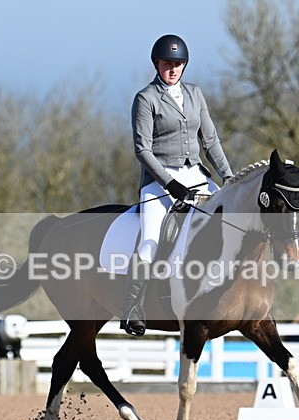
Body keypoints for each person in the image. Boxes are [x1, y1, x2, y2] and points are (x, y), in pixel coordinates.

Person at [120, 34, 235, 337]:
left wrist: (228, 178)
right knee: (152, 240)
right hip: (159, 181)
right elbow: (142, 150)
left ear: (184, 65)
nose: (172, 69)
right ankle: (133, 306)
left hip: (196, 175)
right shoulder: (146, 99)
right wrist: (169, 184)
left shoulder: (196, 94)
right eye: (167, 64)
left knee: (228, 222)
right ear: (157, 65)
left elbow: (210, 141)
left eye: (178, 64)